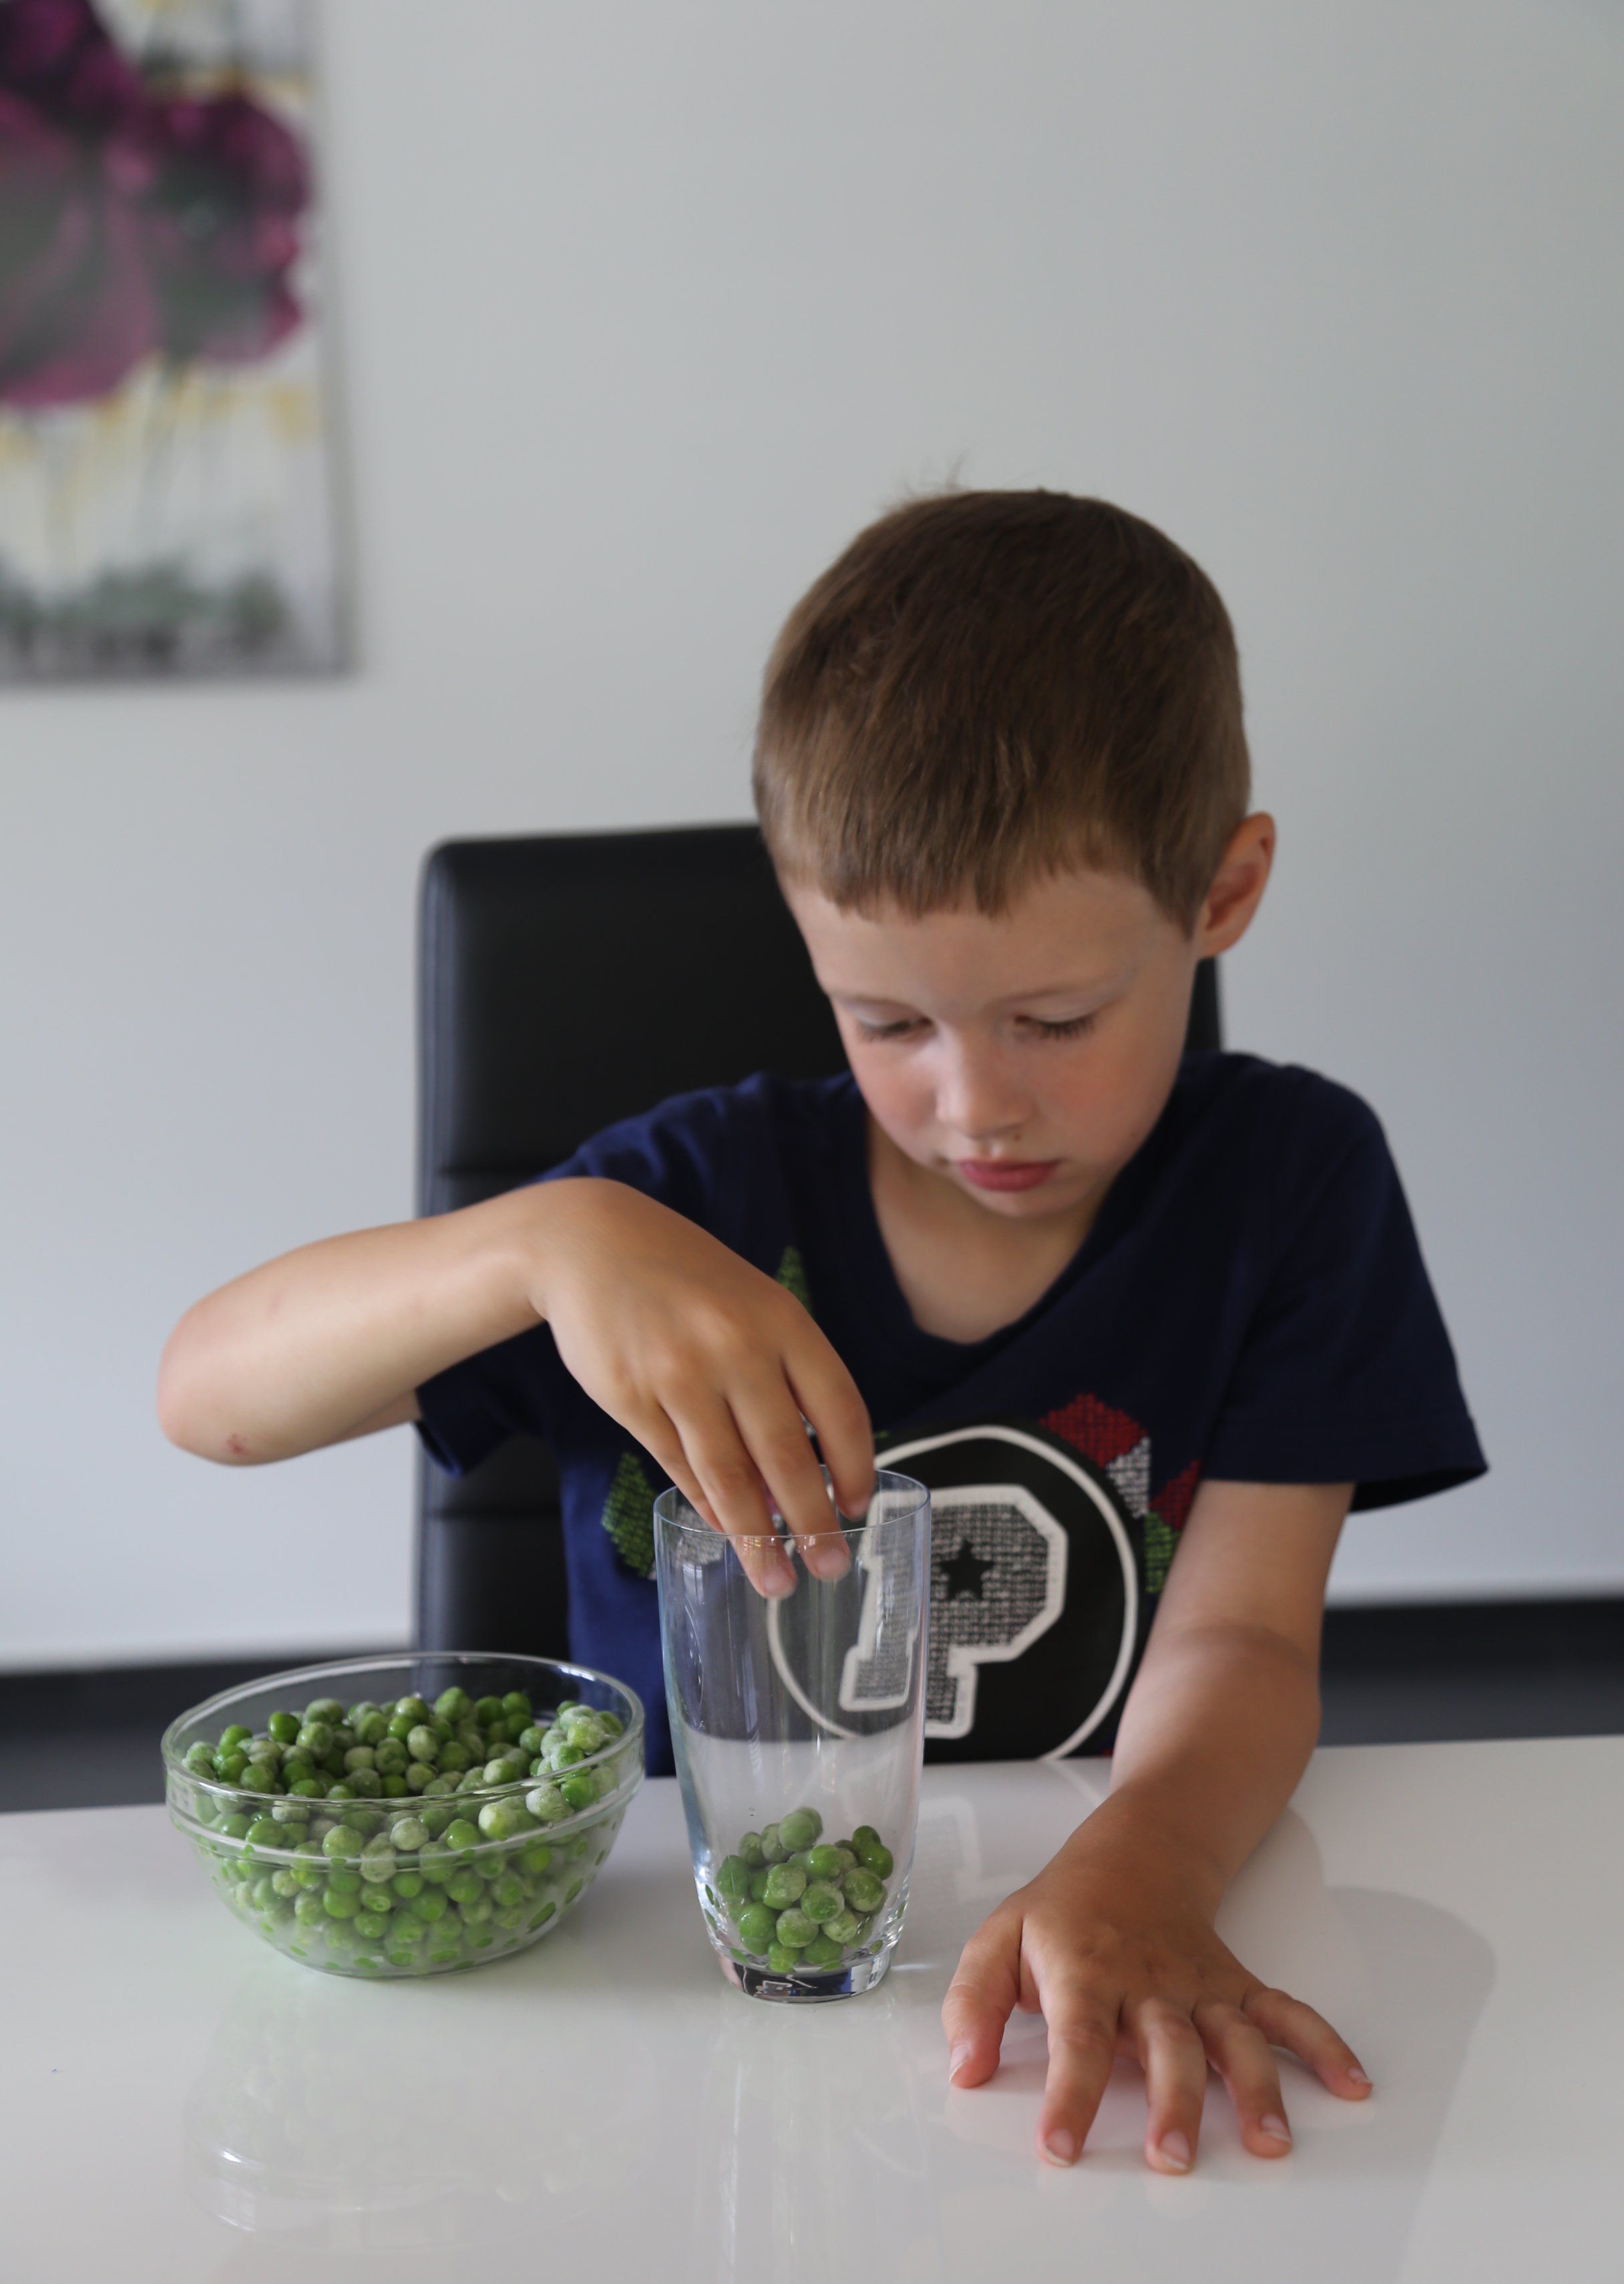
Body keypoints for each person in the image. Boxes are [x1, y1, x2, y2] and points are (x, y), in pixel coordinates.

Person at [159, 488, 1485, 2176]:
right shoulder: (675, 1206)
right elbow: (209, 1400)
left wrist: (1143, 1862)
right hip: (669, 2025)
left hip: (1082, 1938)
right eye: (887, 1020)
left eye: (1055, 1018)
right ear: (803, 935)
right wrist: (539, 1244)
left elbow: (1245, 1642)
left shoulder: (1290, 1183)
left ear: (1222, 895)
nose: (975, 1102)